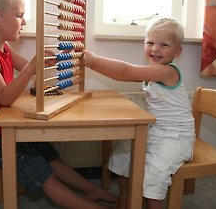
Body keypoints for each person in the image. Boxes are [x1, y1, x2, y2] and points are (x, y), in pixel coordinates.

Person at [0, 0, 117, 209]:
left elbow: (28, 67)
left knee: (50, 155)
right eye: (19, 15)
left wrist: (43, 62)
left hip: (8, 123)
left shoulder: (3, 47)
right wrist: (31, 67)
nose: (24, 21)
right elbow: (4, 97)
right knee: (43, 174)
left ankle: (92, 191)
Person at [82, 17, 195, 209]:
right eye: (150, 42)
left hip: (176, 138)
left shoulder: (167, 72)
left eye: (164, 45)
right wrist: (93, 63)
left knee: (153, 176)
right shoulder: (153, 72)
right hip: (156, 131)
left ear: (177, 52)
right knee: (122, 155)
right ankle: (126, 201)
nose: (155, 49)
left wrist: (94, 61)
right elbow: (125, 73)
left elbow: (126, 71)